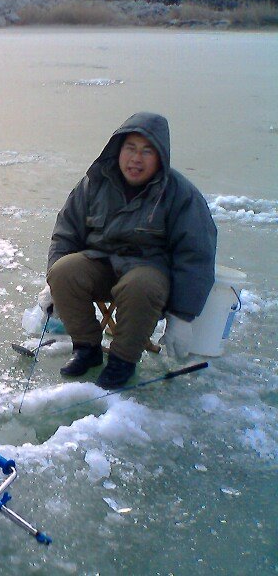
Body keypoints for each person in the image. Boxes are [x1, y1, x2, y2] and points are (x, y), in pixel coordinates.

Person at [38, 112, 217, 389]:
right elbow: (66, 234)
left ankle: (123, 360)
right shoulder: (94, 183)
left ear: (160, 157)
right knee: (63, 271)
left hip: (149, 273)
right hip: (101, 264)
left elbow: (196, 256)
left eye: (147, 151)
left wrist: (182, 316)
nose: (136, 158)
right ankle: (86, 349)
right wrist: (53, 284)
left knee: (139, 284)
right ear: (117, 150)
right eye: (130, 148)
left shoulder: (180, 194)